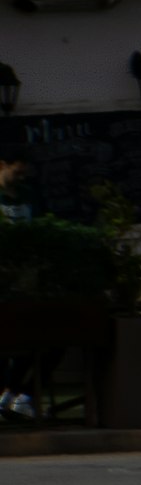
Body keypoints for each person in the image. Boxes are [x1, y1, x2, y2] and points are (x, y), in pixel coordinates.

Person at [0, 157, 41, 421]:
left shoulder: (28, 195)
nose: (21, 177)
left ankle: (14, 392)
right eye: (17, 172)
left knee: (29, 340)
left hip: (25, 279)